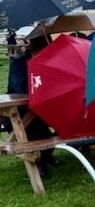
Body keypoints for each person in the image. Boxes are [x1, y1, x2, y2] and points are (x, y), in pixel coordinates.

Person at [4, 35, 58, 178]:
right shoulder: (19, 63)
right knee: (35, 131)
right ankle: (40, 163)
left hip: (42, 108)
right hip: (20, 111)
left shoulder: (48, 61)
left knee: (62, 123)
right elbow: (21, 89)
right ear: (34, 50)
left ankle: (46, 156)